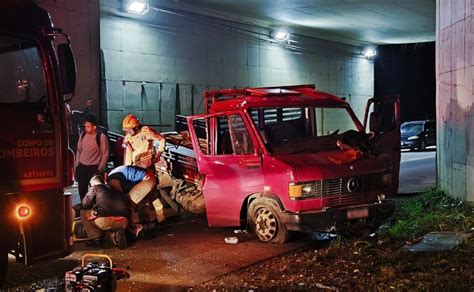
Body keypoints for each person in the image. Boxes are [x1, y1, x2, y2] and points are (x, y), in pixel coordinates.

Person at [121, 114, 166, 221]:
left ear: (136, 127)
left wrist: (158, 154)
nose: (127, 132)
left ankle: (161, 218)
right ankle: (145, 221)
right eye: (126, 130)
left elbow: (161, 140)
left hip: (147, 168)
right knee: (141, 198)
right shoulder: (128, 137)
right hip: (135, 170)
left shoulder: (146, 132)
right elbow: (128, 154)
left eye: (129, 129)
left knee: (153, 195)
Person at [80, 175, 133, 249]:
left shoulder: (94, 188)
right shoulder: (116, 189)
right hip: (123, 221)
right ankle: (116, 235)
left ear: (92, 183)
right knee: (111, 224)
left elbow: (85, 204)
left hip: (106, 220)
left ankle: (96, 239)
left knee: (83, 212)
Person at [75, 114, 109, 202]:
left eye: (88, 126)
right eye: (85, 126)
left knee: (96, 192)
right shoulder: (82, 135)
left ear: (94, 127)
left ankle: (96, 210)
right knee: (82, 191)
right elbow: (79, 150)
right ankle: (84, 208)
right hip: (82, 167)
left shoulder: (101, 137)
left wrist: (99, 169)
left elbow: (105, 154)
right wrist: (77, 165)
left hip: (94, 168)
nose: (86, 128)